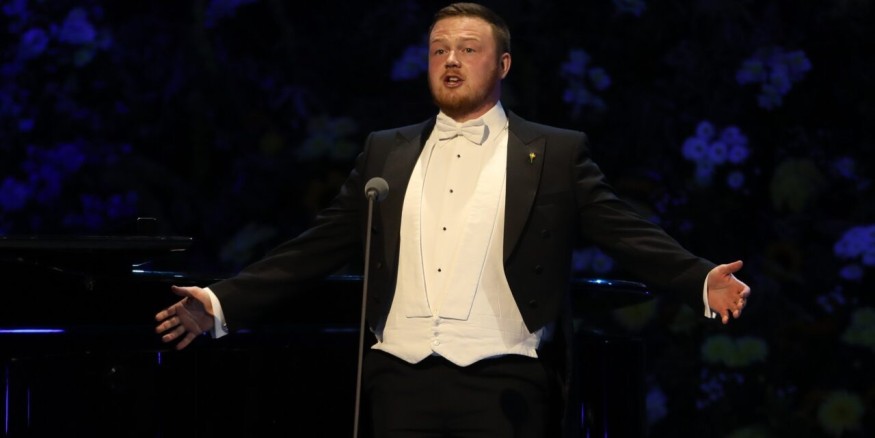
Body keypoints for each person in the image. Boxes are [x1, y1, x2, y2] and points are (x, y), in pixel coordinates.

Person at [154, 2, 751, 437]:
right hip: (397, 377)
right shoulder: (386, 151)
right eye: (439, 50)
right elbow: (319, 244)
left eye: (468, 49)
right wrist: (222, 300)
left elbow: (622, 229)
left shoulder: (554, 152)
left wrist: (699, 278)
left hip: (506, 381)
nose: (451, 61)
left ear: (503, 64)